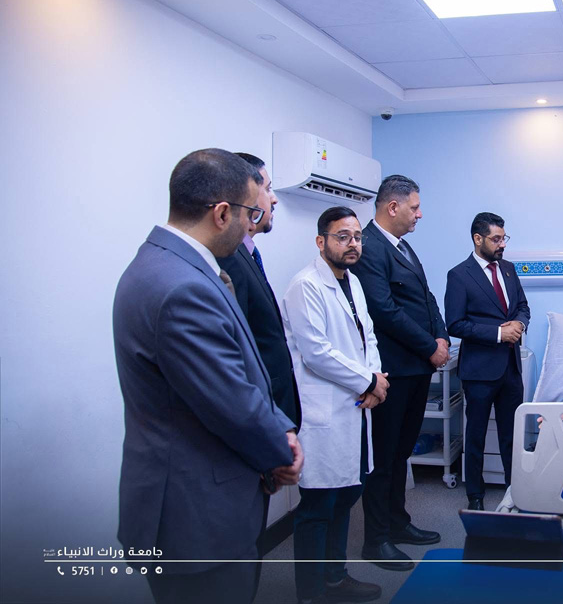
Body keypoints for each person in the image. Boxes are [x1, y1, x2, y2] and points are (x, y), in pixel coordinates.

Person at [113, 149, 303, 604]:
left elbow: (238, 367)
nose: (253, 224)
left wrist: (278, 428)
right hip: (195, 512)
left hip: (196, 497)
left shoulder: (166, 263)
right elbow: (230, 400)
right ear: (221, 214)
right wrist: (281, 447)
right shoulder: (182, 287)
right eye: (251, 213)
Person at [281, 206, 388, 604]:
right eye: (343, 237)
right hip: (325, 408)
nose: (352, 243)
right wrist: (368, 381)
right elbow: (317, 353)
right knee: (318, 504)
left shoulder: (353, 282)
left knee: (346, 494)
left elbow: (368, 338)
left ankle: (335, 578)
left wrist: (375, 379)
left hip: (356, 404)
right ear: (321, 241)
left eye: (357, 236)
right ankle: (311, 593)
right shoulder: (305, 285)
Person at [351, 175, 449, 570]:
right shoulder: (370, 248)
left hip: (417, 369)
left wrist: (441, 338)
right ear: (393, 207)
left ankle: (398, 522)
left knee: (402, 452)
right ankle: (375, 540)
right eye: (414, 207)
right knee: (384, 458)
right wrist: (430, 347)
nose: (419, 214)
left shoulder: (402, 246)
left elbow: (426, 298)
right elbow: (384, 311)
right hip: (392, 372)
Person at [445, 212, 530, 511]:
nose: (502, 244)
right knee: (476, 436)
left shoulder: (508, 269)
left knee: (511, 435)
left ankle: (514, 491)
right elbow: (455, 324)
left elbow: (522, 306)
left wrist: (519, 324)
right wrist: (498, 333)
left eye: (504, 238)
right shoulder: (459, 275)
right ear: (477, 238)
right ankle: (475, 495)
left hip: (510, 368)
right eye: (496, 239)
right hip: (479, 370)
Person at [217, 152, 300, 427]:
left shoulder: (247, 253)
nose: (274, 199)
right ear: (248, 194)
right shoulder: (230, 257)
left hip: (274, 403)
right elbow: (238, 350)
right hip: (261, 410)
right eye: (268, 189)